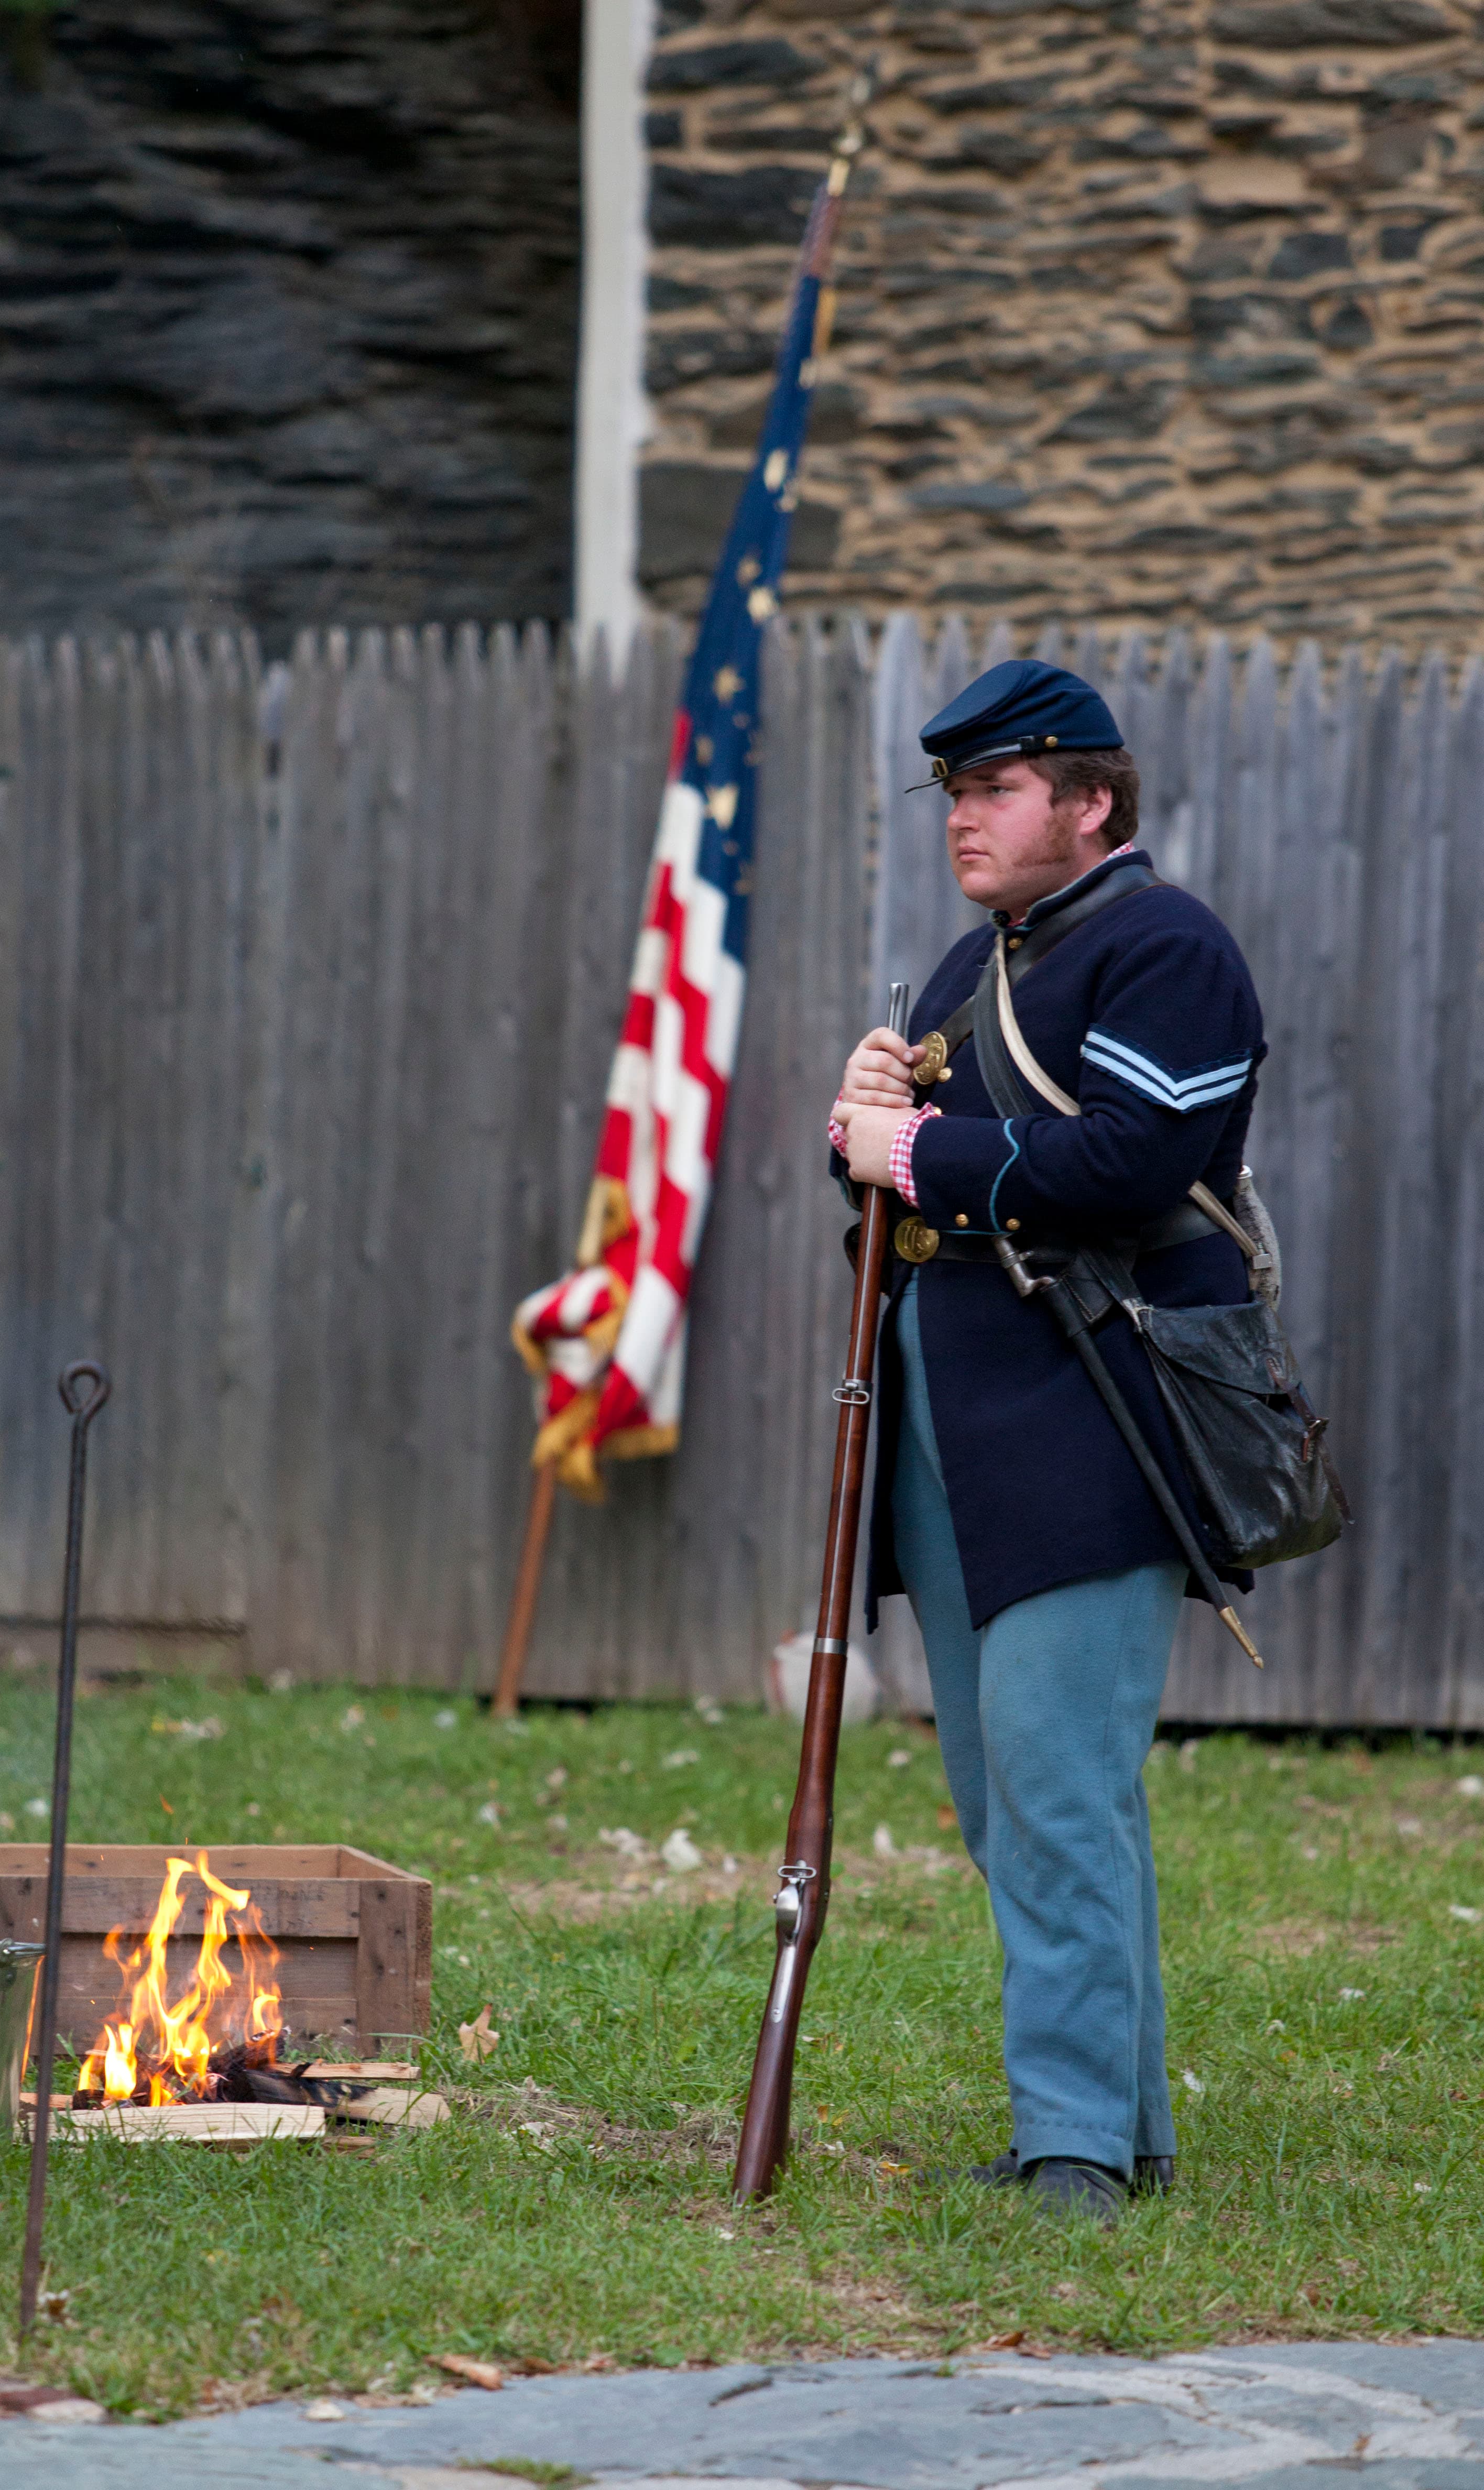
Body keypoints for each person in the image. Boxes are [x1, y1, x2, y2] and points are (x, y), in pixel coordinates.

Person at [830, 658, 1265, 2225]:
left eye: (996, 790)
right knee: (1003, 1798)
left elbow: (1138, 1161)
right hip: (957, 1421)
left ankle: (1070, 2142)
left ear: (1090, 803)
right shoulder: (972, 970)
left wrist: (922, 1144)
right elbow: (922, 1190)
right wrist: (864, 1134)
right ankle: (1115, 2128)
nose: (965, 817)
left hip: (1098, 1420)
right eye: (953, 793)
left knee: (1063, 1787)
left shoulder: (1169, 947)